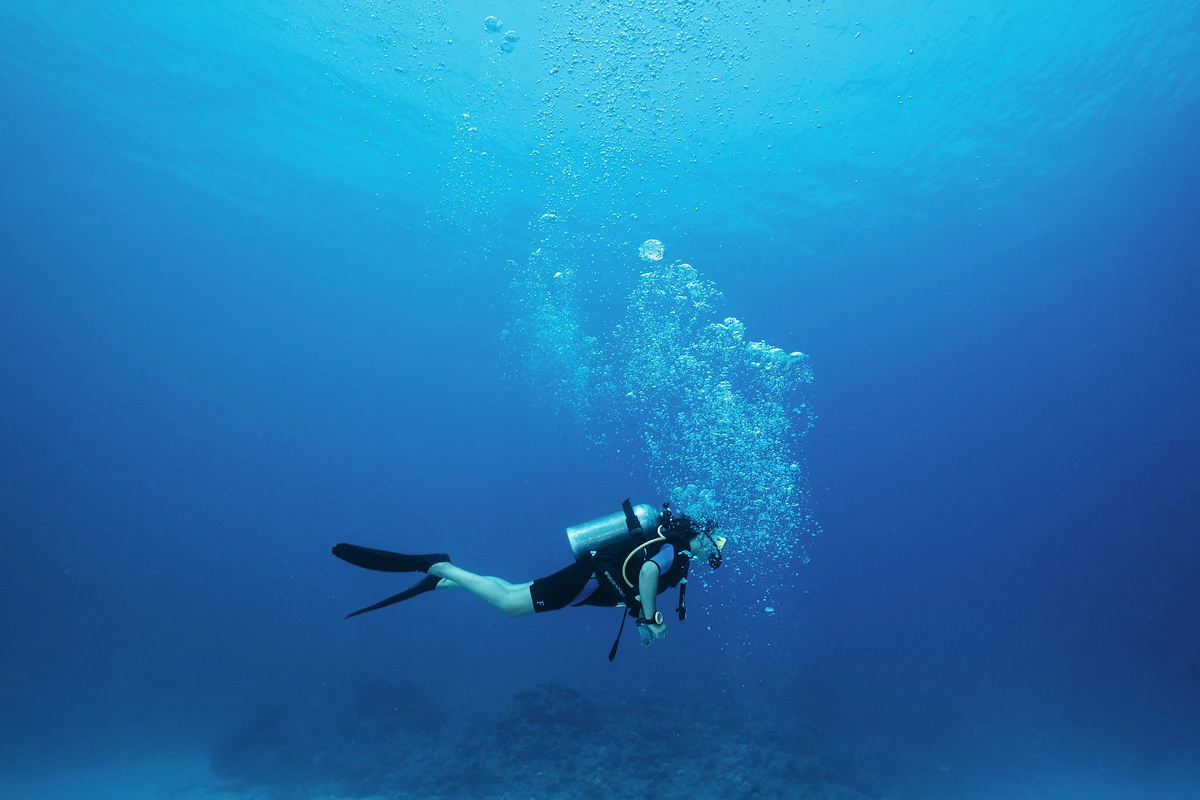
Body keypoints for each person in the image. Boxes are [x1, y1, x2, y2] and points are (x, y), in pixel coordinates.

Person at [332, 500, 725, 656]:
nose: (718, 549)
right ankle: (442, 567)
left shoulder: (679, 554)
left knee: (513, 590)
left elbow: (639, 580)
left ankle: (446, 580)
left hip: (592, 580)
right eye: (717, 540)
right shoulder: (675, 548)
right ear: (701, 533)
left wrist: (641, 618)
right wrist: (650, 618)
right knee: (510, 606)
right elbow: (649, 571)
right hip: (590, 580)